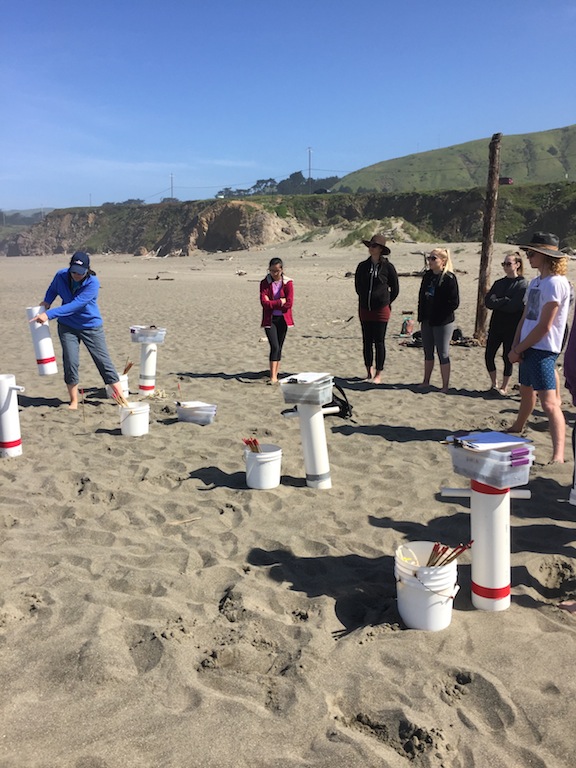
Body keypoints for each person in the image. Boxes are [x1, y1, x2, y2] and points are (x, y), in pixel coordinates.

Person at [29, 252, 124, 409]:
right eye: (73, 271)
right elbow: (53, 289)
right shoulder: (61, 275)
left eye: (80, 273)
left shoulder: (93, 283)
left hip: (90, 326)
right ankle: (74, 401)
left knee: (103, 361)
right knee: (70, 362)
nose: (76, 275)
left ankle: (120, 398)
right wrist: (47, 301)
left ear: (87, 270)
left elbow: (76, 305)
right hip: (67, 326)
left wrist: (49, 314)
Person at [507, 233, 570, 463]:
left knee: (549, 403)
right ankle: (518, 426)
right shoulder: (535, 282)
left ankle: (558, 454)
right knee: (525, 391)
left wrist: (519, 347)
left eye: (531, 253)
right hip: (527, 346)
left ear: (545, 255)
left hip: (543, 349)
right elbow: (526, 316)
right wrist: (516, 344)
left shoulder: (556, 283)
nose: (528, 257)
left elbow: (545, 326)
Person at [354, 234, 399, 384]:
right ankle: (368, 371)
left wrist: (385, 301)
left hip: (381, 310)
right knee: (367, 341)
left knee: (379, 341)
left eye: (374, 246)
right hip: (364, 308)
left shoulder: (388, 267)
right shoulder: (362, 266)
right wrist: (364, 299)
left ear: (380, 249)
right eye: (370, 246)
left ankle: (378, 374)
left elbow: (395, 288)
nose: (371, 248)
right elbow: (358, 286)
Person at [484, 251, 528, 394]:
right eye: (504, 264)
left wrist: (500, 302)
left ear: (517, 265)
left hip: (512, 327)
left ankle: (504, 386)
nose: (505, 266)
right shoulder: (499, 283)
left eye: (508, 264)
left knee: (507, 357)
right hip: (496, 325)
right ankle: (494, 384)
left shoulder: (522, 284)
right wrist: (503, 300)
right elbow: (488, 302)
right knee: (489, 355)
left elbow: (514, 306)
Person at [417, 248, 460, 392]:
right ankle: (426, 381)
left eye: (433, 258)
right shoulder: (428, 276)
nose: (430, 261)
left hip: (443, 321)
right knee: (428, 351)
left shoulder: (449, 278)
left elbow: (454, 302)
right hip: (427, 319)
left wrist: (440, 315)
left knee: (443, 352)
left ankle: (445, 385)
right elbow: (422, 297)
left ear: (443, 261)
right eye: (429, 258)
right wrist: (421, 315)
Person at [260, 257, 294, 384]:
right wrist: (280, 301)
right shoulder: (264, 283)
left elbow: (289, 303)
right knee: (274, 346)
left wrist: (272, 302)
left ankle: (275, 373)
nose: (274, 274)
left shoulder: (288, 283)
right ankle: (272, 376)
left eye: (276, 271)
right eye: (272, 271)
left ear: (281, 270)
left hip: (283, 319)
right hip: (270, 319)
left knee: (279, 347)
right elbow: (264, 303)